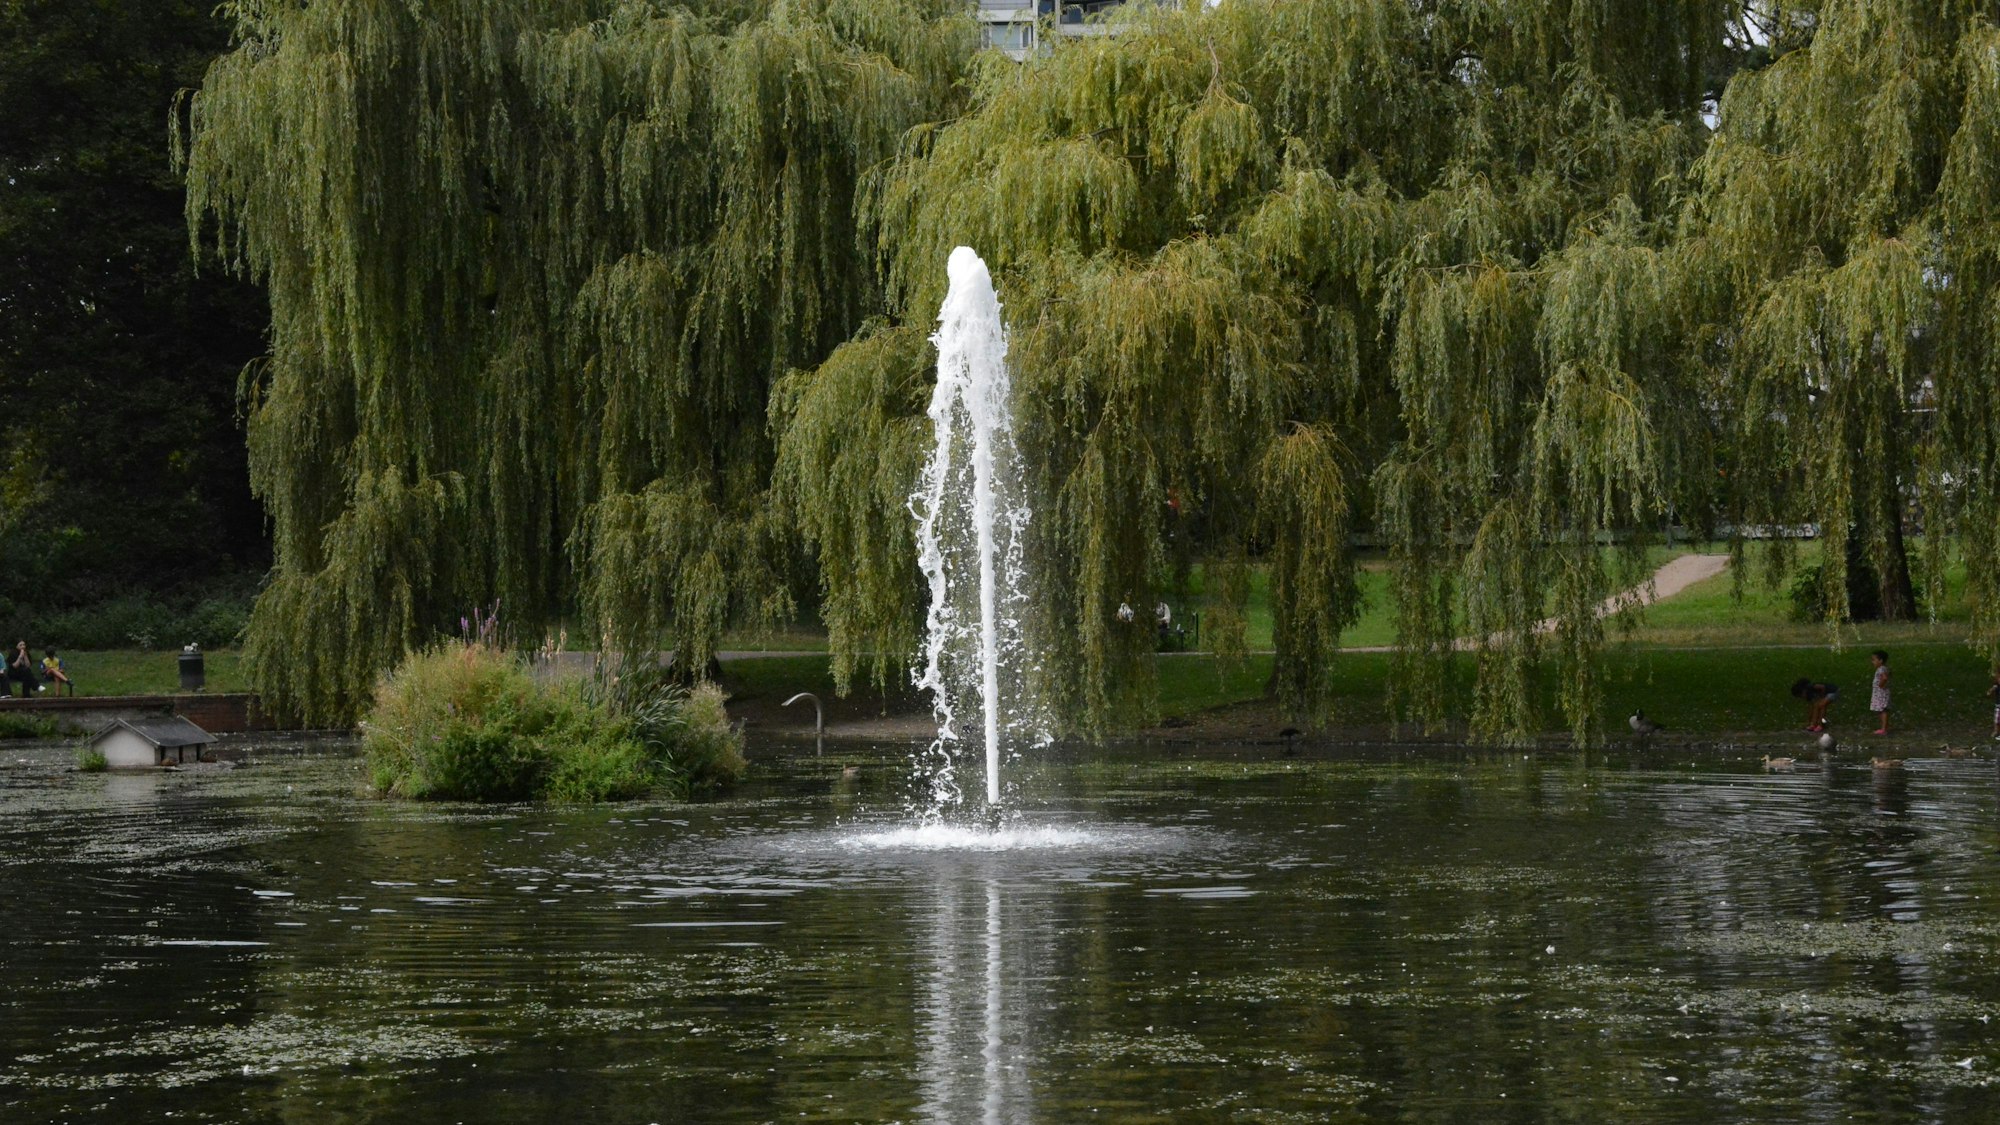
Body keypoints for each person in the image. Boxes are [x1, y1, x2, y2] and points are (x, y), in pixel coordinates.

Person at [1869, 649, 1891, 735]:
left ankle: (1884, 729)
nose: (1872, 662)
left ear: (1880, 661)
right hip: (1879, 693)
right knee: (1880, 710)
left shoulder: (1881, 669)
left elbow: (1885, 678)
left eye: (1874, 660)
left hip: (1881, 693)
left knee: (1882, 710)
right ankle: (1884, 726)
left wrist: (1880, 685)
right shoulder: (1884, 668)